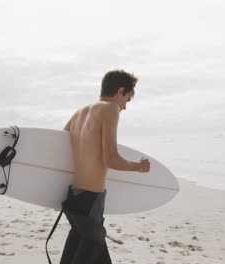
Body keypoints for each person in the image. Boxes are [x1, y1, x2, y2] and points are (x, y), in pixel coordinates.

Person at [46, 69, 150, 264]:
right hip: (91, 200)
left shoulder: (79, 113)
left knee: (76, 254)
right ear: (120, 91)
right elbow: (110, 159)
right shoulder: (110, 109)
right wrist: (138, 166)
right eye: (127, 100)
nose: (125, 107)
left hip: (74, 197)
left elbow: (61, 149)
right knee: (94, 254)